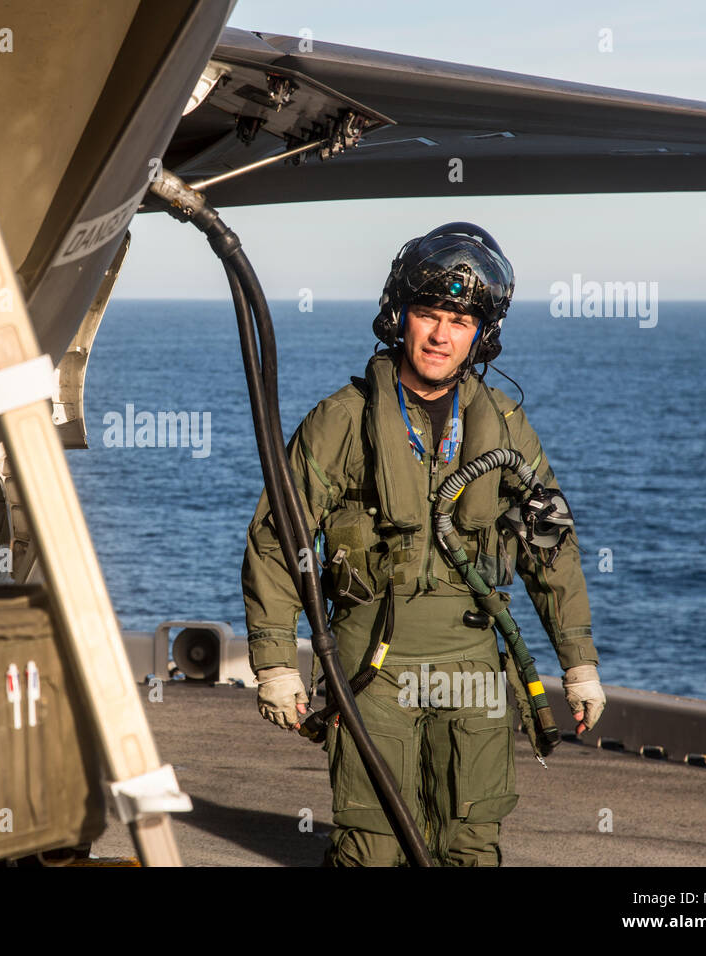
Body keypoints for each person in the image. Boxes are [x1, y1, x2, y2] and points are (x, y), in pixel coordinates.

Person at [242, 222, 606, 866]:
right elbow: (279, 539)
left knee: (470, 846)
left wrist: (578, 662)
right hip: (372, 667)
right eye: (429, 315)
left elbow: (550, 545)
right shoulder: (341, 421)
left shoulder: (507, 427)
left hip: (473, 664)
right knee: (372, 850)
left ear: (481, 335)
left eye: (460, 322)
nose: (441, 336)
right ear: (399, 315)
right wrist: (274, 662)